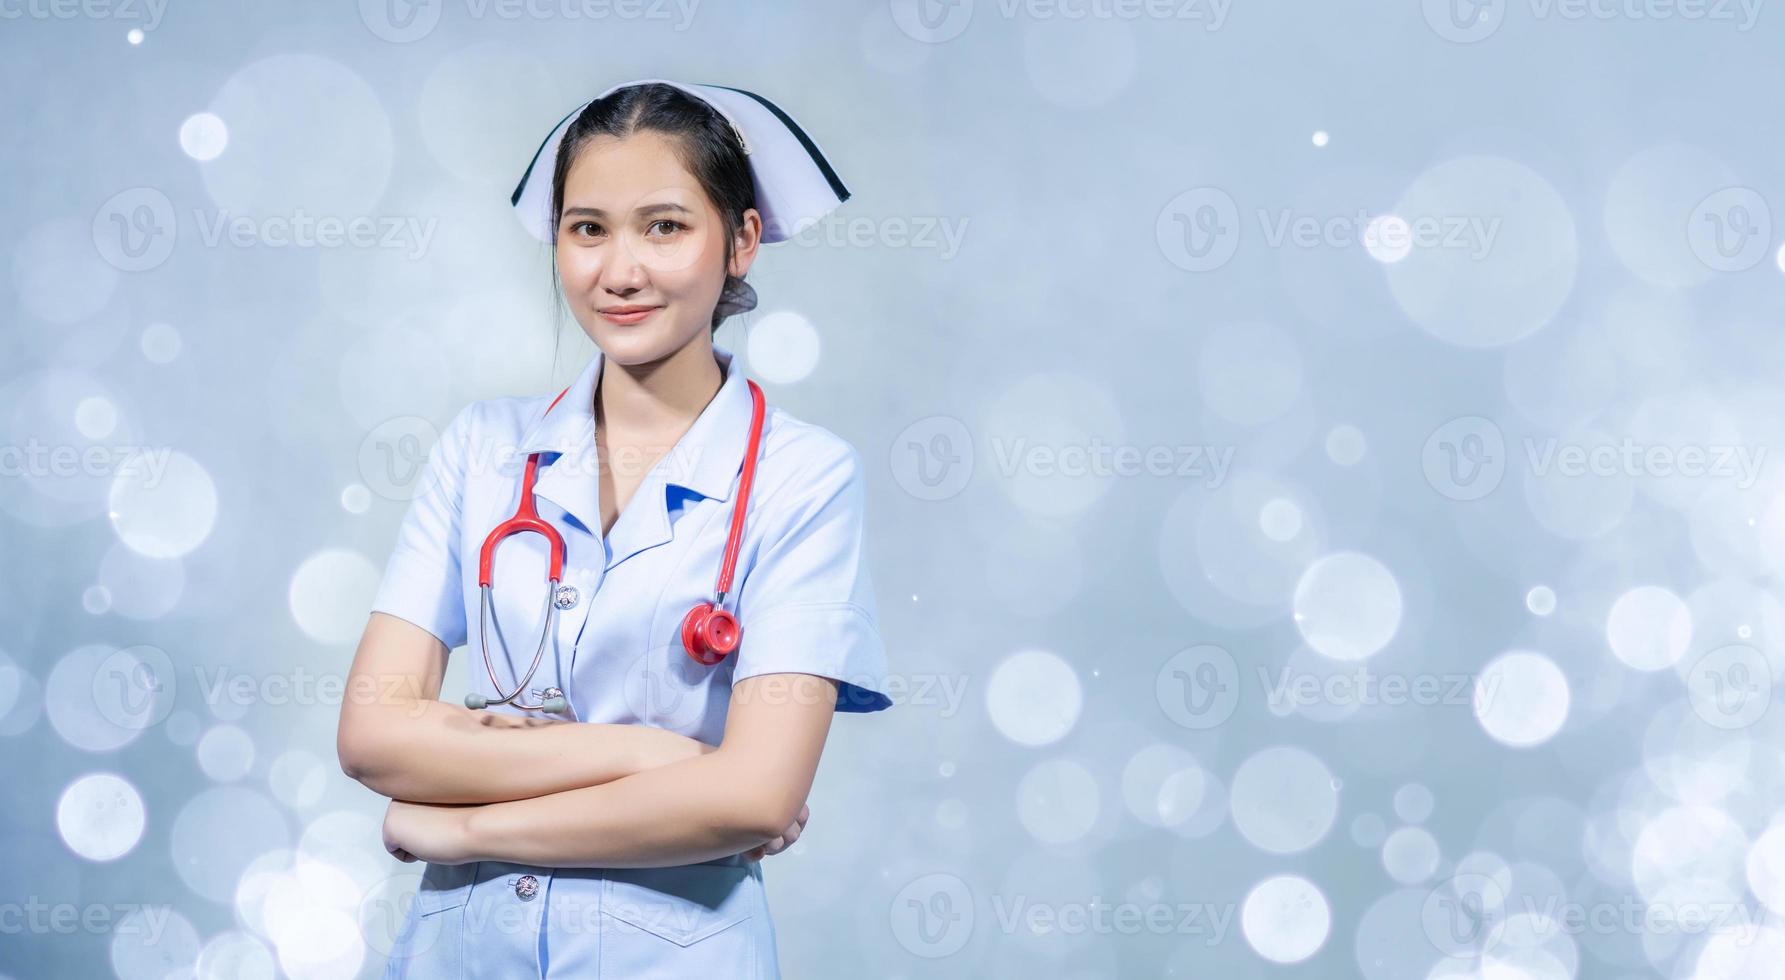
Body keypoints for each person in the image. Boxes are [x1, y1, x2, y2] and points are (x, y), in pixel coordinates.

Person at [336, 79, 891, 978]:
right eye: (587, 228)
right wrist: (655, 757)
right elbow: (370, 735)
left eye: (664, 226)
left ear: (742, 240)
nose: (619, 271)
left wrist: (460, 822)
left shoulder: (802, 477)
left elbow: (753, 795)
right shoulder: (483, 449)